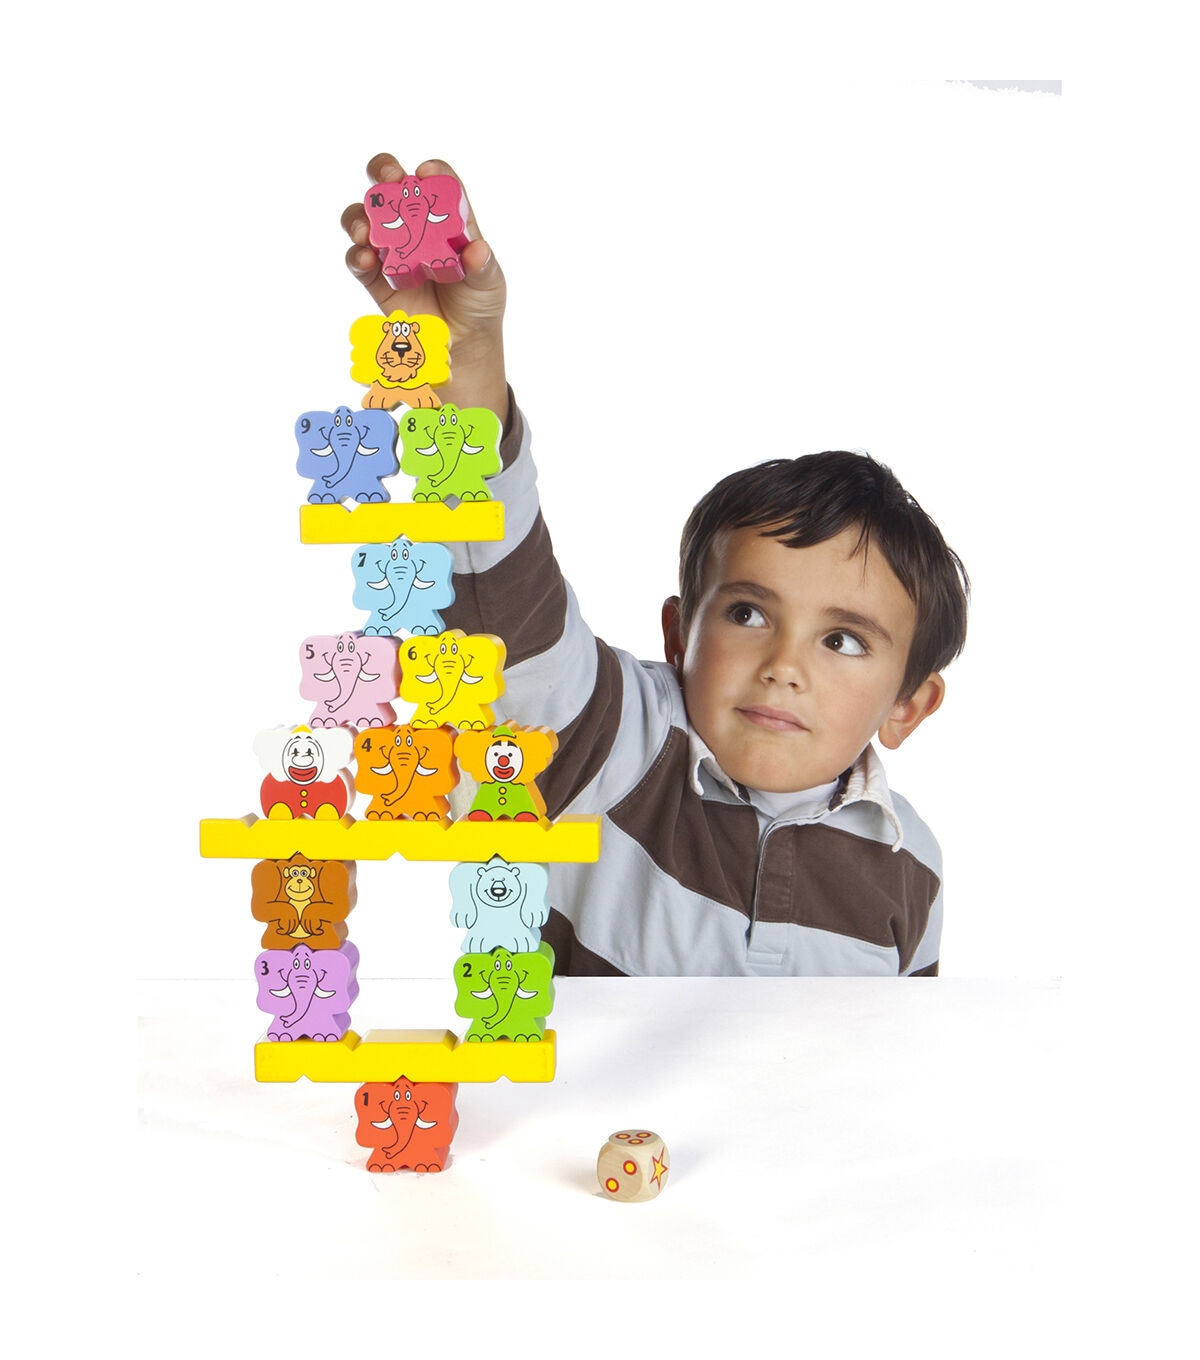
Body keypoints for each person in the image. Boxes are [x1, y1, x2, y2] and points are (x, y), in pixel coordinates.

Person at [341, 156, 969, 977]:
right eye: (748, 613)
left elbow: (900, 1048)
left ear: (909, 705)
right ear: (680, 633)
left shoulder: (912, 866)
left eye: (843, 641)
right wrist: (467, 369)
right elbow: (504, 613)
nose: (783, 666)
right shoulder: (614, 741)